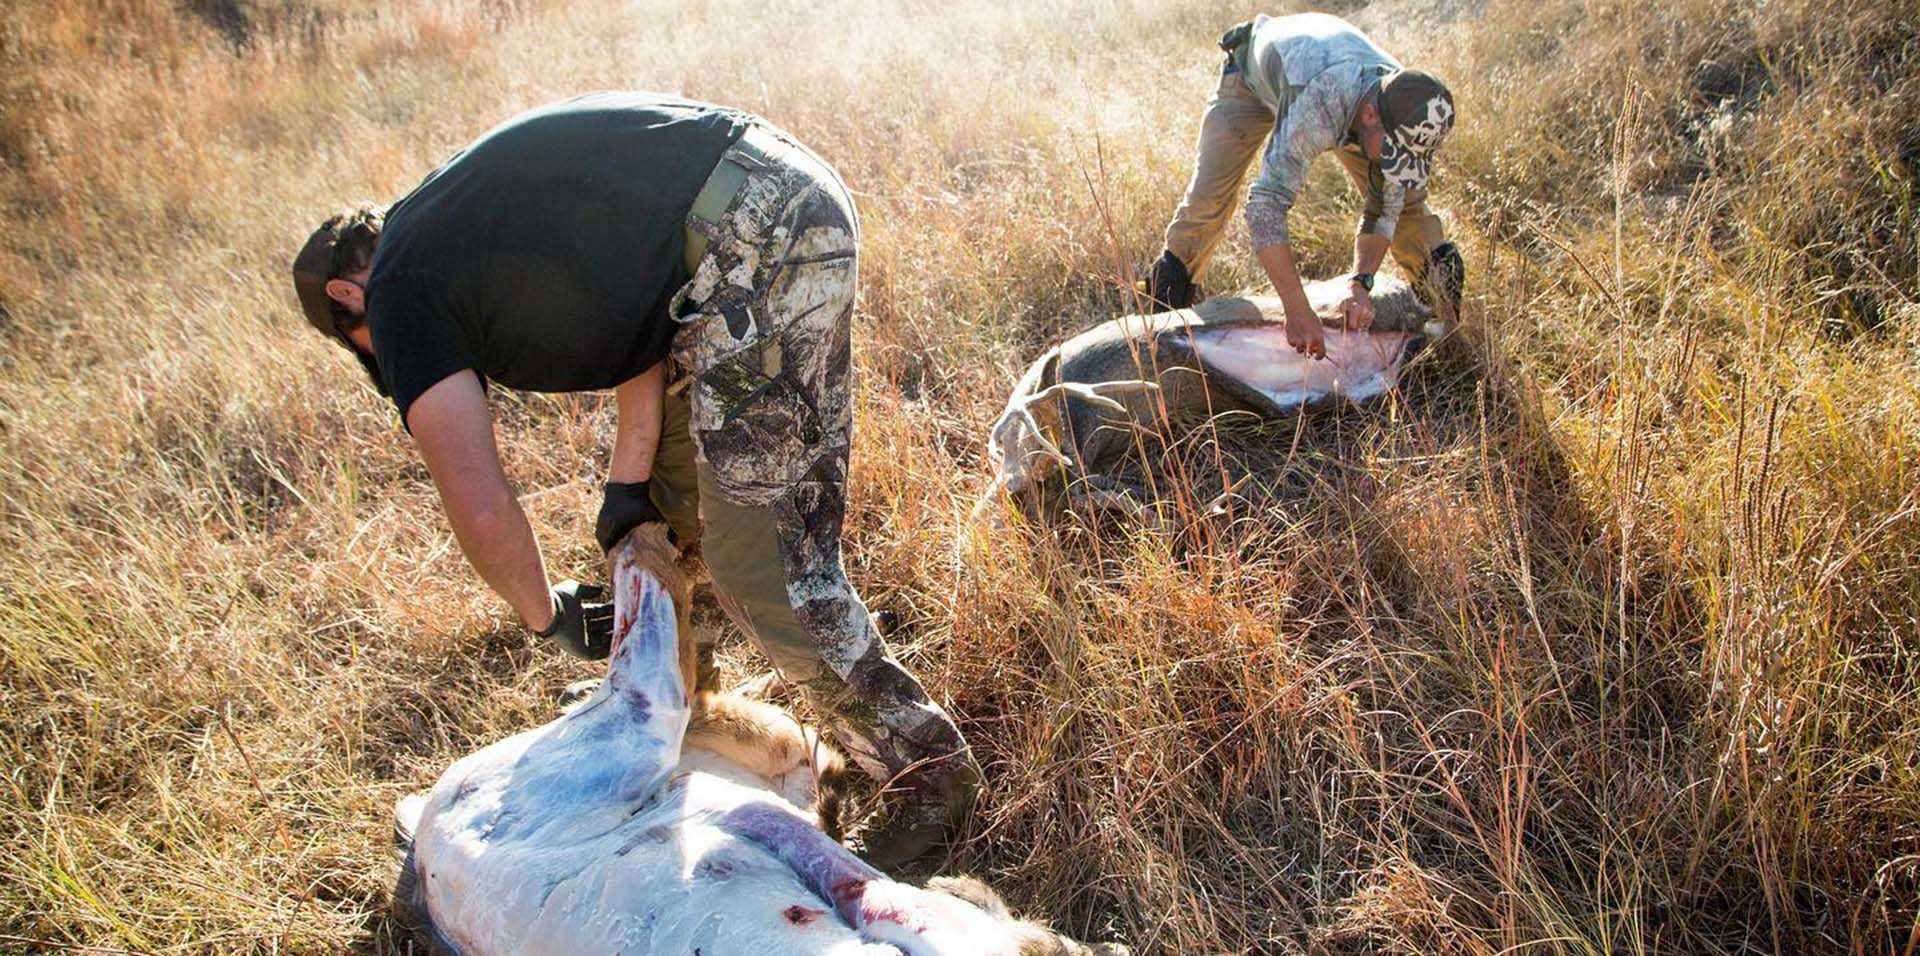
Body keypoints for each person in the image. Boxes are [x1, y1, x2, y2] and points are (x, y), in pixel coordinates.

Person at [290, 92, 977, 868]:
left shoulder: (400, 291)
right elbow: (632, 307)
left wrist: (544, 614)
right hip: (740, 222)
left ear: (351, 298)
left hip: (752, 244)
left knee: (761, 561)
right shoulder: (452, 220)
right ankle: (682, 700)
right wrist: (629, 484)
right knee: (675, 511)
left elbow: (479, 505)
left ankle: (925, 767)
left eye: (366, 348)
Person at [1143, 12, 1465, 349]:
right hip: (1253, 86)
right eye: (1393, 151)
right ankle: (1159, 328)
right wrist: (1296, 309)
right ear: (1371, 115)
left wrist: (1360, 285)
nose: (1394, 162)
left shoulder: (1404, 105)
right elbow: (1265, 206)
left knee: (1410, 211)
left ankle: (1440, 331)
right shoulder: (1321, 103)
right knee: (1206, 203)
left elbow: (1387, 206)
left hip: (1329, 85)